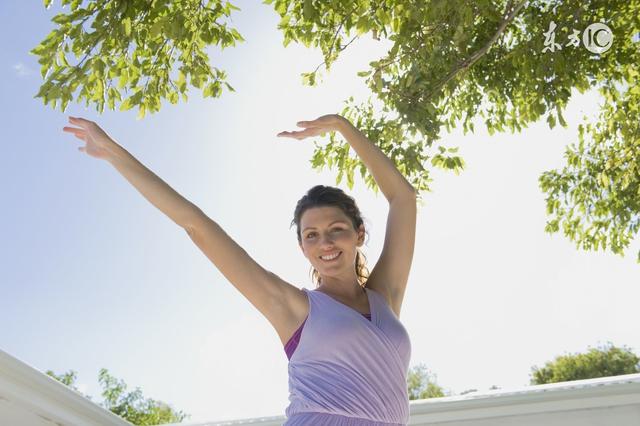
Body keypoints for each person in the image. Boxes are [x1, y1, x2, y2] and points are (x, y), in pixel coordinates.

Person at [62, 113, 417, 425]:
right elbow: (195, 225)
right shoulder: (295, 308)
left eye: (336, 230)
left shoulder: (385, 295)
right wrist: (113, 154)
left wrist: (342, 126)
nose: (325, 242)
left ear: (359, 233)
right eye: (312, 235)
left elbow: (403, 197)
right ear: (302, 247)